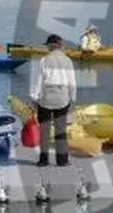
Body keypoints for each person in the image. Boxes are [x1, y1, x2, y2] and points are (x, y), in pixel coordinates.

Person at [29, 32, 77, 166]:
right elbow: (72, 83)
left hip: (46, 99)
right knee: (60, 130)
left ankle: (43, 160)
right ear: (60, 46)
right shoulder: (68, 61)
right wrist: (72, 99)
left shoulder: (44, 60)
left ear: (51, 45)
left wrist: (34, 98)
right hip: (62, 99)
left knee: (44, 131)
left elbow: (38, 82)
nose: (47, 48)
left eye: (48, 45)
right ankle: (62, 160)